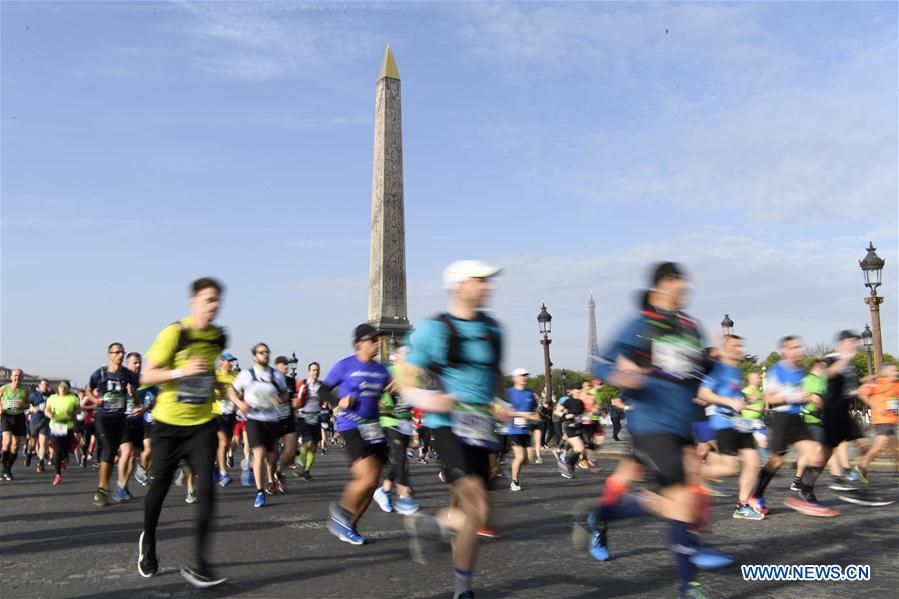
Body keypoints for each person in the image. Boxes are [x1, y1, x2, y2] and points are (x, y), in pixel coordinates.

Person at [587, 262, 732, 599]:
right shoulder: (639, 324)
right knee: (681, 499)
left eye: (684, 282)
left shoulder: (690, 326)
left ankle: (603, 515)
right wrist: (619, 376)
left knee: (684, 498)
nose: (682, 287)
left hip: (682, 425)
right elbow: (599, 361)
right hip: (652, 425)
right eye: (674, 282)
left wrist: (716, 358)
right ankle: (689, 585)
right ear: (658, 289)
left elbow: (695, 369)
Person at [399, 259, 506, 599]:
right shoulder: (435, 330)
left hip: (480, 426)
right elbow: (403, 379)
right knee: (476, 504)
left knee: (474, 516)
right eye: (481, 281)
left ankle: (461, 583)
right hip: (446, 425)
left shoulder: (495, 330)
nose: (487, 287)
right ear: (459, 286)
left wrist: (499, 402)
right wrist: (428, 400)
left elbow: (494, 377)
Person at [137, 277, 229, 587]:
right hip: (168, 426)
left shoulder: (218, 337)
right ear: (193, 302)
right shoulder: (174, 333)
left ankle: (198, 563)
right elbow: (146, 375)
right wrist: (182, 371)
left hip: (202, 425)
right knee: (158, 491)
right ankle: (148, 543)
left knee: (208, 491)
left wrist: (217, 385)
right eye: (208, 299)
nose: (213, 305)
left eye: (217, 300)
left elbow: (210, 372)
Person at [321, 324, 392, 545]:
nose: (377, 343)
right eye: (373, 340)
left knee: (372, 483)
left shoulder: (382, 370)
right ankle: (340, 512)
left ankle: (350, 524)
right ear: (360, 343)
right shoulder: (345, 365)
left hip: (373, 426)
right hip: (350, 425)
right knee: (367, 476)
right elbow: (323, 390)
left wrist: (395, 391)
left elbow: (387, 392)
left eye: (379, 340)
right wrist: (337, 401)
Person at [752, 336, 834, 517]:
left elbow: (805, 393)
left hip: (797, 418)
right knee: (776, 461)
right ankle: (756, 495)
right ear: (785, 352)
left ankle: (806, 493)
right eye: (793, 348)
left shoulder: (801, 372)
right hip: (782, 418)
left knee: (817, 454)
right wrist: (791, 397)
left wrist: (811, 397)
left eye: (799, 347)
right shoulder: (777, 371)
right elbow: (769, 398)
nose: (798, 351)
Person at [698, 335, 764, 521]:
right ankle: (688, 476)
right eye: (735, 346)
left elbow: (733, 394)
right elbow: (704, 392)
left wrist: (744, 399)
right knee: (729, 468)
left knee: (753, 462)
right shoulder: (717, 369)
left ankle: (742, 506)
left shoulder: (736, 371)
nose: (739, 349)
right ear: (725, 348)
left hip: (739, 422)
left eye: (741, 346)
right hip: (722, 421)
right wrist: (727, 401)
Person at [229, 343, 288, 507]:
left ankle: (271, 478)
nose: (265, 355)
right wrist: (239, 403)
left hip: (272, 420)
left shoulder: (276, 375)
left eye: (267, 352)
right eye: (261, 352)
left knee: (272, 457)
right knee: (260, 453)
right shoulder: (246, 374)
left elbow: (285, 392)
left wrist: (281, 399)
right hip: (254, 419)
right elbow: (231, 390)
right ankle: (260, 492)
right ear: (254, 356)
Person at [84, 342, 140, 506]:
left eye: (122, 352)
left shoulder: (128, 374)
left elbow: (136, 399)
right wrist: (95, 399)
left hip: (120, 418)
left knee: (120, 452)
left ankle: (119, 486)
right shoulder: (100, 373)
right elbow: (88, 389)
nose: (120, 355)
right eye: (116, 352)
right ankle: (102, 489)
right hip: (103, 418)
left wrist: (134, 394)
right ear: (109, 355)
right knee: (109, 450)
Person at [373, 354, 421, 514]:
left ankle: (384, 490)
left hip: (406, 421)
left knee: (401, 458)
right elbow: (373, 388)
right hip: (389, 418)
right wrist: (384, 389)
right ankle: (404, 498)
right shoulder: (389, 371)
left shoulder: (416, 375)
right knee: (400, 456)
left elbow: (421, 397)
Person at [117, 352, 149, 501]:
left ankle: (123, 484)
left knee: (132, 458)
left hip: (139, 422)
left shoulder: (145, 381)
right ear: (127, 364)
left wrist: (144, 405)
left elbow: (152, 400)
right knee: (127, 451)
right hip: (123, 422)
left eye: (140, 362)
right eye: (135, 363)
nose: (138, 365)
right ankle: (120, 486)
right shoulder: (119, 379)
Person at [857, 364, 899, 476]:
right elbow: (861, 394)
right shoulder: (878, 382)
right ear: (887, 373)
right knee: (880, 444)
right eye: (894, 371)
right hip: (881, 420)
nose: (896, 373)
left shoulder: (896, 384)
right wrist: (876, 406)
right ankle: (862, 464)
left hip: (891, 420)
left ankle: (863, 465)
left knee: (895, 448)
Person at [505, 368, 538, 491]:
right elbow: (504, 411)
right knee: (519, 457)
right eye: (522, 375)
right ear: (515, 378)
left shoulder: (530, 393)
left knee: (528, 459)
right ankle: (515, 481)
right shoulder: (508, 393)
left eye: (526, 375)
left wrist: (534, 416)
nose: (525, 377)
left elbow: (534, 411)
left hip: (526, 430)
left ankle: (514, 466)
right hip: (513, 430)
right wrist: (522, 415)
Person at [45, 380, 80, 485]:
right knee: (58, 449)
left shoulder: (73, 398)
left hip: (67, 426)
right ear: (58, 388)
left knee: (65, 449)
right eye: (61, 387)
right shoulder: (52, 398)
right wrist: (51, 415)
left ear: (68, 389)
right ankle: (58, 475)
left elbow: (79, 410)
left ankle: (63, 459)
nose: (63, 389)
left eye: (65, 387)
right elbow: (47, 410)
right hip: (56, 425)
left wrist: (72, 413)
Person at [273, 355, 298, 493]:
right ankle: (271, 481)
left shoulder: (290, 381)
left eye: (287, 364)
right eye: (283, 364)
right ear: (277, 366)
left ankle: (279, 471)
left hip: (288, 418)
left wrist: (296, 404)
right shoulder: (271, 380)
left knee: (290, 452)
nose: (286, 367)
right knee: (274, 454)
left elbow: (293, 399)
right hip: (274, 419)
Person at [213, 353, 238, 487]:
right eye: (228, 361)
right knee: (222, 442)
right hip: (217, 413)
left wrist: (236, 395)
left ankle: (217, 466)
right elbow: (210, 392)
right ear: (222, 361)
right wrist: (221, 392)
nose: (230, 363)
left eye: (232, 361)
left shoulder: (235, 376)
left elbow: (241, 391)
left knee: (227, 443)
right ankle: (223, 473)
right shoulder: (215, 375)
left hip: (231, 413)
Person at [295, 362, 323, 480]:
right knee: (308, 443)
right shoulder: (303, 384)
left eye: (317, 370)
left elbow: (326, 397)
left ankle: (306, 471)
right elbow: (297, 399)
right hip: (303, 417)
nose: (315, 372)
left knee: (314, 447)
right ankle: (297, 461)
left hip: (316, 417)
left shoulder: (322, 385)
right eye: (313, 370)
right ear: (309, 372)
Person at [1, 369, 30, 479]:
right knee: (7, 442)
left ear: (22, 377)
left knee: (15, 446)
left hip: (19, 417)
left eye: (19, 376)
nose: (17, 378)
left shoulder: (26, 390)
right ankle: (3, 466)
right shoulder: (4, 388)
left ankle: (7, 468)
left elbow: (28, 404)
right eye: (15, 375)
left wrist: (22, 406)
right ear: (11, 377)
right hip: (6, 416)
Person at [27, 379, 51, 472]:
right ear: (39, 385)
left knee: (43, 443)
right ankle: (29, 453)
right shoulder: (34, 395)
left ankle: (41, 463)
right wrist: (33, 409)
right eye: (43, 384)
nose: (45, 386)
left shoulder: (51, 396)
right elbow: (26, 405)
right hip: (34, 421)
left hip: (45, 421)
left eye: (47, 385)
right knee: (33, 442)